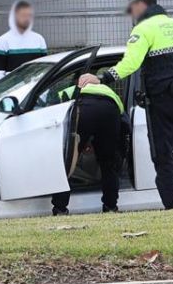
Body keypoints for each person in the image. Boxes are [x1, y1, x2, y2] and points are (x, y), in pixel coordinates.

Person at [79, 0, 173, 210]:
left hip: (161, 104)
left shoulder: (143, 29)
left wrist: (102, 78)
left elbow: (131, 64)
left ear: (140, 5)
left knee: (163, 160)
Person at [50, 81, 125, 216]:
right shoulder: (108, 90)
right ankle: (111, 207)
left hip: (83, 109)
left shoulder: (67, 91)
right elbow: (122, 116)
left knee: (68, 160)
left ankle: (60, 208)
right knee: (108, 163)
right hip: (110, 109)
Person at [0, 0, 47, 83]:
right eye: (23, 15)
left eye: (29, 15)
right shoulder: (2, 41)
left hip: (34, 88)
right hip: (11, 90)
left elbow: (44, 69)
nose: (26, 18)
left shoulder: (39, 39)